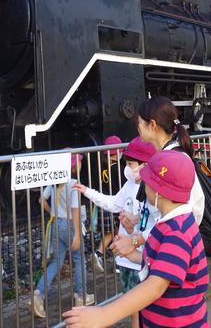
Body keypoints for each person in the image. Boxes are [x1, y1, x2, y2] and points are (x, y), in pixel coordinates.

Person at [63, 150, 209, 328]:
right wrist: (134, 256)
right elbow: (165, 264)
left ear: (158, 192)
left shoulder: (176, 232)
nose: (142, 186)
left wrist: (104, 315)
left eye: (146, 182)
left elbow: (155, 286)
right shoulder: (171, 222)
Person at [73, 137, 156, 328]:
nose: (126, 168)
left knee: (140, 312)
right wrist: (87, 191)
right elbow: (113, 203)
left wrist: (135, 238)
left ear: (145, 165)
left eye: (130, 164)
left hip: (140, 259)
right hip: (125, 259)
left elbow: (159, 224)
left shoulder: (152, 188)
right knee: (135, 311)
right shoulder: (129, 185)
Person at [111, 96, 205, 258]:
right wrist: (138, 218)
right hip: (161, 246)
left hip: (172, 250)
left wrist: (135, 241)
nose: (137, 127)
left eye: (139, 122)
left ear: (152, 125)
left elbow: (187, 214)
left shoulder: (176, 161)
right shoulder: (165, 157)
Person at [32, 152, 94, 319]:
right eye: (79, 162)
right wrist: (76, 236)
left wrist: (52, 212)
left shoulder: (55, 183)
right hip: (68, 225)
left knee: (56, 261)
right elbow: (75, 210)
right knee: (79, 259)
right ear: (74, 166)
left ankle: (38, 293)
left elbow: (40, 200)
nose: (80, 164)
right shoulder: (74, 184)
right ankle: (81, 296)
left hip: (55, 224)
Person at [89, 135, 124, 273]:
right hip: (115, 204)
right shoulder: (119, 169)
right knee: (115, 232)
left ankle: (118, 263)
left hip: (103, 203)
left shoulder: (101, 167)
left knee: (115, 232)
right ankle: (99, 253)